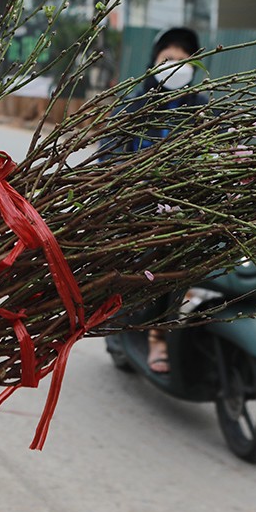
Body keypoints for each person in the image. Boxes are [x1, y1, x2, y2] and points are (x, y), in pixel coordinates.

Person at [100, 27, 208, 373]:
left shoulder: (203, 109)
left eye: (182, 58)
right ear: (154, 62)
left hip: (186, 205)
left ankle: (176, 331)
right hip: (137, 203)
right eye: (167, 57)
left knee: (189, 267)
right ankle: (151, 337)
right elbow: (110, 150)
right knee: (141, 271)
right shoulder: (135, 103)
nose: (174, 64)